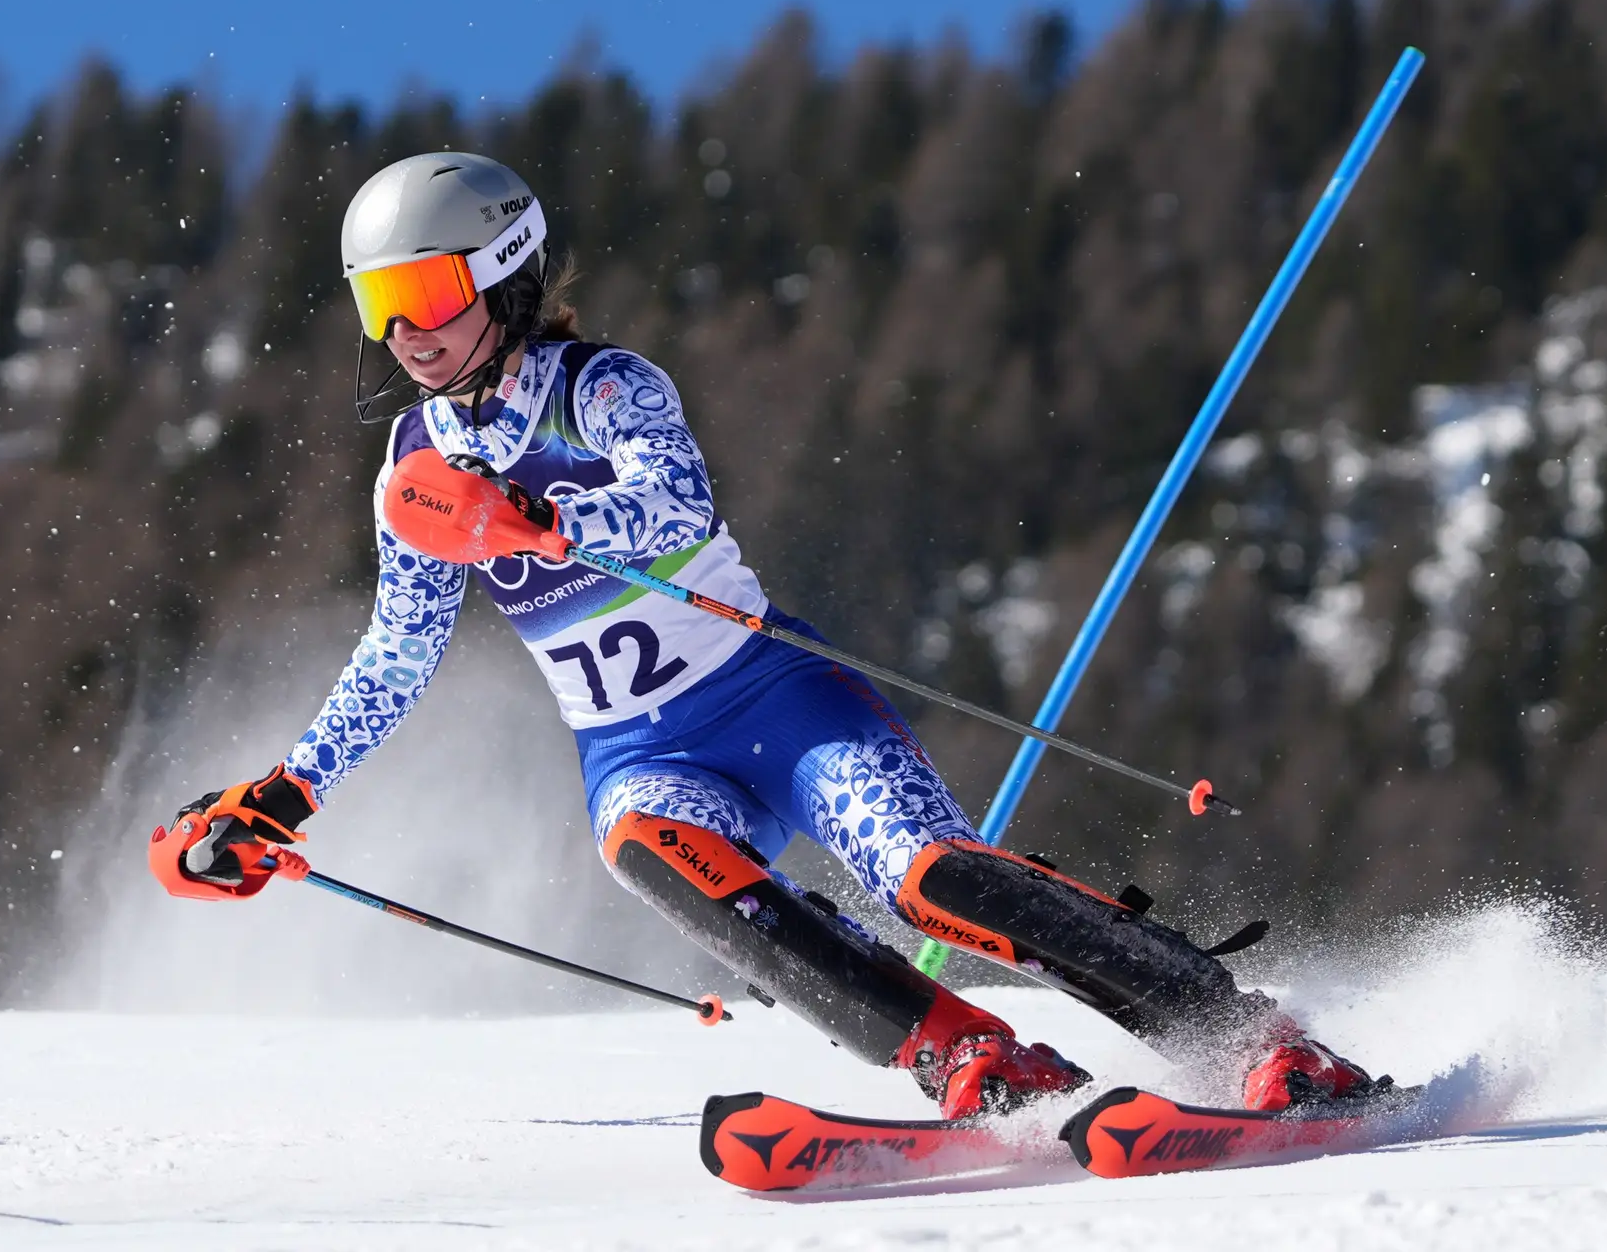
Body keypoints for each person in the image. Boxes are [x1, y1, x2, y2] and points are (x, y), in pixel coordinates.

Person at [148, 151, 1389, 1118]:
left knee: (931, 881)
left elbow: (677, 504)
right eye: (379, 304)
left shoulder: (603, 387)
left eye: (425, 293)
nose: (405, 332)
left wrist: (539, 520)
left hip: (777, 700)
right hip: (639, 752)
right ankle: (970, 1058)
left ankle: (1251, 1037)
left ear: (504, 272)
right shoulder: (411, 466)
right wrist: (286, 793)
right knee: (648, 850)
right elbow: (400, 647)